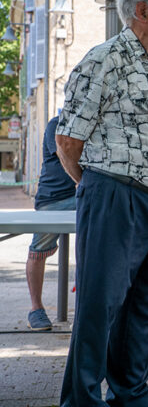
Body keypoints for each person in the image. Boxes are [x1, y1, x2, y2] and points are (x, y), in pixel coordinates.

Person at [55, 0, 148, 406]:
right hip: (116, 197)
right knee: (101, 307)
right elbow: (68, 140)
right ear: (141, 11)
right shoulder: (104, 60)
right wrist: (101, 186)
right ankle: (81, 399)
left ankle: (130, 392)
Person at [26, 115, 76, 331]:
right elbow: (65, 156)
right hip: (53, 198)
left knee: (100, 242)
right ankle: (35, 309)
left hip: (82, 194)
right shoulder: (56, 124)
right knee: (38, 250)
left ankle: (92, 305)